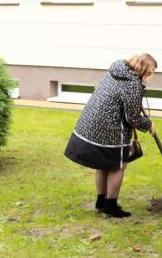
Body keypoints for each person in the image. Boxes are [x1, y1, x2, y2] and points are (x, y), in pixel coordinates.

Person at [64, 53, 157, 218]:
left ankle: (101, 203)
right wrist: (148, 124)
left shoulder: (115, 71)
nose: (151, 77)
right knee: (118, 165)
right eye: (150, 73)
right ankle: (111, 207)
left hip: (91, 123)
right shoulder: (133, 84)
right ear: (143, 69)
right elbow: (132, 117)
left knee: (102, 164)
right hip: (109, 129)